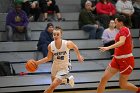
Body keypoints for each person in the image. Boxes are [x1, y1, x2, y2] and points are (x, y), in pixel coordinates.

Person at [29, 26, 84, 93]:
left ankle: (67, 80)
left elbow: (75, 47)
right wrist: (37, 62)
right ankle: (68, 80)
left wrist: (79, 55)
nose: (56, 36)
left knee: (52, 86)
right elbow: (48, 58)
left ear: (61, 35)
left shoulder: (67, 43)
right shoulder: (50, 46)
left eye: (58, 34)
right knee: (53, 86)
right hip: (55, 66)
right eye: (54, 34)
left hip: (65, 67)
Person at [97, 15, 140, 93]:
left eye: (116, 23)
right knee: (104, 79)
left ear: (121, 23)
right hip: (117, 59)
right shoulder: (122, 31)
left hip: (126, 61)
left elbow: (122, 42)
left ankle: (138, 90)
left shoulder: (124, 30)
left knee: (123, 85)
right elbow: (131, 44)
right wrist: (119, 53)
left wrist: (108, 47)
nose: (115, 24)